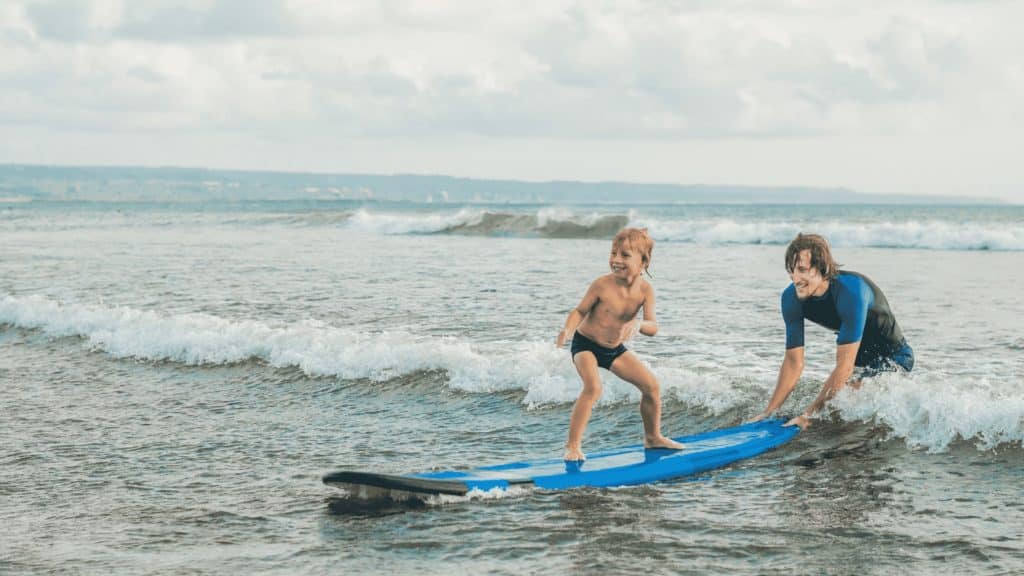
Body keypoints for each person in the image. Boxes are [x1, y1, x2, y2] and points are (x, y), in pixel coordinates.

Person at [749, 233, 914, 430]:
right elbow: (794, 362)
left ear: (823, 268)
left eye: (802, 269)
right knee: (838, 398)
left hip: (894, 358)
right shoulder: (790, 299)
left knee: (845, 398)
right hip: (861, 359)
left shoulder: (851, 292)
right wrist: (770, 411)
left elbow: (844, 367)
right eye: (791, 270)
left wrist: (808, 415)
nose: (795, 278)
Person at [555, 228, 685, 461]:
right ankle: (572, 446)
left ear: (643, 261)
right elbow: (580, 311)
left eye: (625, 255)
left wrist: (639, 324)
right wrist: (567, 328)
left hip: (614, 350)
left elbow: (653, 327)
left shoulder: (645, 290)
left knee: (652, 387)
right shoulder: (601, 285)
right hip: (585, 344)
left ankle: (653, 437)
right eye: (613, 253)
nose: (615, 259)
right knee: (593, 388)